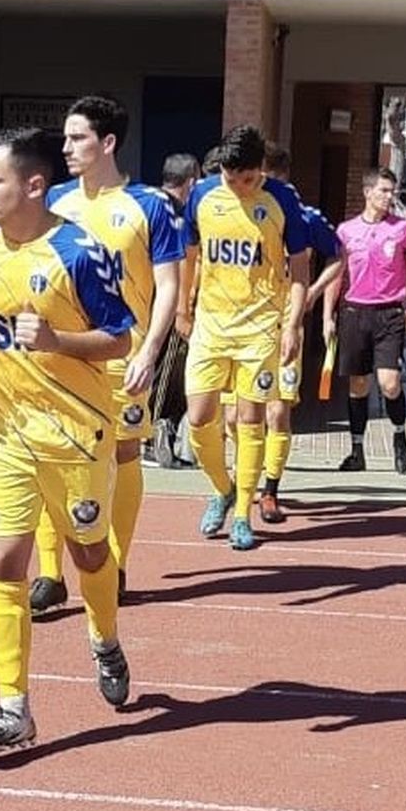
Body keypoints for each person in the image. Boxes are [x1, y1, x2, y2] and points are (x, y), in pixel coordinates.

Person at [0, 126, 136, 751]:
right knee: (3, 561)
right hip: (4, 434)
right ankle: (12, 706)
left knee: (88, 555)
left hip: (76, 435)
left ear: (33, 184)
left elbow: (119, 338)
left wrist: (57, 342)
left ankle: (104, 638)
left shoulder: (81, 252)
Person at [28, 96, 183, 612]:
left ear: (107, 143)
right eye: (66, 138)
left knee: (122, 455)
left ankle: (114, 561)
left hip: (123, 357)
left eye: (78, 138)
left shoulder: (150, 206)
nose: (67, 147)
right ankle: (50, 572)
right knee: (54, 458)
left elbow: (168, 285)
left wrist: (151, 349)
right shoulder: (54, 203)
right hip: (61, 358)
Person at [181, 125, 315, 551]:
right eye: (229, 178)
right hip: (211, 325)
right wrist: (183, 307)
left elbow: (299, 268)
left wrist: (292, 325)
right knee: (200, 418)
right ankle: (221, 487)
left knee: (251, 417)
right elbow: (189, 253)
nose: (237, 187)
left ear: (260, 171)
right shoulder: (203, 195)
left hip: (260, 327)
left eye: (246, 179)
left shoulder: (282, 199)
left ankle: (242, 513)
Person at [254, 142, 341, 522]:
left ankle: (270, 489)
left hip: (286, 325)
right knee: (237, 414)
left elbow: (339, 256)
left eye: (265, 177)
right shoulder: (239, 213)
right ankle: (239, 486)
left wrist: (312, 295)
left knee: (277, 408)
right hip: (244, 324)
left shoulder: (303, 216)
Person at [322, 168, 406, 474]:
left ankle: (399, 434)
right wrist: (328, 315)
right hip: (355, 312)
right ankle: (357, 450)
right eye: (383, 190)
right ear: (368, 192)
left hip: (390, 313)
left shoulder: (403, 229)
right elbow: (335, 274)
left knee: (389, 382)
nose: (388, 196)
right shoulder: (346, 231)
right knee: (358, 383)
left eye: (392, 191)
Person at [149, 152, 202, 470]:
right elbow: (180, 265)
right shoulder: (176, 216)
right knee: (167, 374)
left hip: (146, 300)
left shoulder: (146, 204)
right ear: (192, 181)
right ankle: (151, 438)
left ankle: (154, 436)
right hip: (164, 305)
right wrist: (182, 311)